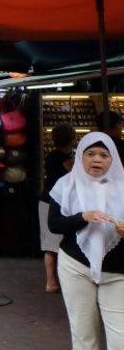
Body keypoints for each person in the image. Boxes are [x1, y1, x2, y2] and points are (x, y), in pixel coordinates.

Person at [48, 132, 124, 349]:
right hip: (75, 267)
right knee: (83, 334)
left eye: (104, 155)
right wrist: (82, 217)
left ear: (113, 159)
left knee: (120, 336)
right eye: (90, 153)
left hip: (118, 272)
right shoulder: (66, 185)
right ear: (80, 156)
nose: (97, 159)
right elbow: (54, 224)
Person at [40, 123, 76, 293]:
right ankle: (53, 281)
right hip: (57, 202)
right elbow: (76, 174)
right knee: (57, 243)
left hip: (47, 200)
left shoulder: (50, 156)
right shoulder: (66, 160)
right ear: (71, 139)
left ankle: (51, 281)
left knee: (49, 244)